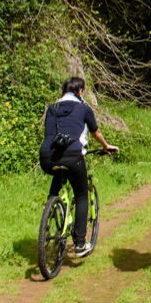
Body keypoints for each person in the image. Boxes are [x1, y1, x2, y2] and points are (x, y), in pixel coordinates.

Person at [39, 77, 119, 258]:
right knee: (82, 194)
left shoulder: (52, 108)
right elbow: (95, 132)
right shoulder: (84, 108)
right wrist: (106, 146)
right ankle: (80, 243)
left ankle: (52, 208)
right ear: (80, 92)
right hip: (73, 155)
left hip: (48, 157)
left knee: (56, 187)